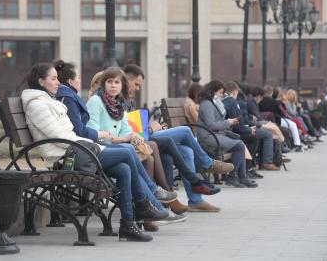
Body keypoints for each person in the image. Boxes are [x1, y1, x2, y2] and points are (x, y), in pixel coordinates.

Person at [21, 62, 170, 242]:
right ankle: (145, 201)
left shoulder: (48, 102)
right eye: (53, 79)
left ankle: (128, 225)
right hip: (67, 156)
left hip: (78, 149)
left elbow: (68, 134)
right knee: (128, 151)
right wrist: (94, 142)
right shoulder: (37, 105)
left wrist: (93, 143)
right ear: (41, 81)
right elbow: (60, 136)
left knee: (124, 169)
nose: (57, 82)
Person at [87, 67, 221, 216]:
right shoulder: (96, 101)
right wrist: (128, 137)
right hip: (103, 147)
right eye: (109, 82)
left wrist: (133, 136)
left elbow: (126, 129)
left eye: (116, 82)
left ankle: (157, 206)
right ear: (104, 84)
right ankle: (162, 196)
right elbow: (94, 133)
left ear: (122, 84)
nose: (113, 85)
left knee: (173, 153)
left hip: (123, 144)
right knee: (173, 138)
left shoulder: (119, 102)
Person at [123, 64, 230, 212]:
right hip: (142, 139)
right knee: (185, 131)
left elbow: (131, 125)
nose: (137, 88)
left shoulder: (128, 99)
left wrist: (149, 124)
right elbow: (127, 130)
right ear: (127, 80)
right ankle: (206, 163)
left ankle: (195, 200)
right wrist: (148, 128)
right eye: (136, 84)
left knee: (187, 151)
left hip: (145, 136)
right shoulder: (120, 100)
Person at [197, 80, 258, 188]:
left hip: (214, 134)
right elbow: (211, 125)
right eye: (220, 92)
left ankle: (241, 177)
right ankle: (233, 177)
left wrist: (229, 122)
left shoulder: (211, 102)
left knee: (239, 143)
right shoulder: (206, 104)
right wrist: (228, 122)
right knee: (239, 145)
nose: (221, 95)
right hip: (208, 137)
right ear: (213, 91)